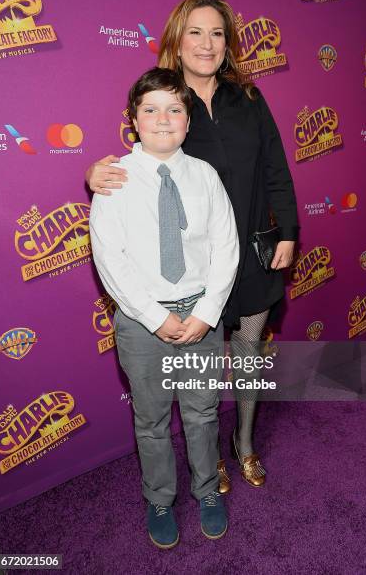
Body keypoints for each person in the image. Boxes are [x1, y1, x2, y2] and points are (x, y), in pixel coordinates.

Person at [86, 0, 299, 492]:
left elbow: (276, 166)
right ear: (177, 43)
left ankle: (243, 444)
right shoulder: (168, 99)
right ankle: (209, 460)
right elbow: (137, 155)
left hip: (253, 253)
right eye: (196, 33)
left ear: (228, 44)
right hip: (195, 272)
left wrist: (288, 230)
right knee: (199, 369)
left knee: (247, 354)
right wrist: (93, 171)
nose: (207, 43)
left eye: (218, 33)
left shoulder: (247, 96)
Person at [89, 67, 239, 549]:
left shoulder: (206, 176)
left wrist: (206, 312)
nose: (162, 118)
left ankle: (206, 490)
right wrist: (156, 317)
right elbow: (110, 258)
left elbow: (225, 247)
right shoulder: (114, 179)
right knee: (151, 421)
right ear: (133, 119)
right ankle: (159, 498)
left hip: (200, 314)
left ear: (188, 121)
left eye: (175, 108)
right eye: (150, 109)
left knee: (203, 413)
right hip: (140, 321)